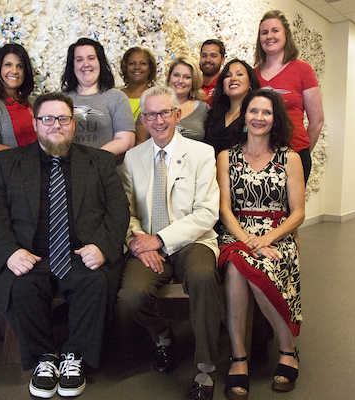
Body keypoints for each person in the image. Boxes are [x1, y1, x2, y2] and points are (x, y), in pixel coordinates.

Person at [0, 93, 129, 398]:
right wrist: (9, 253)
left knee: (96, 281)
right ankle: (45, 358)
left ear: (73, 124)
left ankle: (75, 357)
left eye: (63, 119)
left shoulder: (99, 161)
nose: (55, 125)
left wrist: (102, 246)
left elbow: (119, 209)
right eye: (47, 118)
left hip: (80, 254)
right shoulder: (9, 162)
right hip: (29, 255)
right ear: (35, 124)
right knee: (20, 286)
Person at [118, 85, 223, 400]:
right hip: (148, 245)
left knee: (204, 277)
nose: (158, 120)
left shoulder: (202, 153)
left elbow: (207, 213)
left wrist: (160, 239)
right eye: (150, 114)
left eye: (165, 112)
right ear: (144, 120)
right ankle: (162, 335)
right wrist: (137, 241)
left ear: (177, 114)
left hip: (193, 240)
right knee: (130, 297)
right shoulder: (132, 158)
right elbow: (126, 212)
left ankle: (205, 370)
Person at [216, 89, 305, 399]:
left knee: (262, 265)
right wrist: (248, 241)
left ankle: (288, 348)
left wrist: (266, 238)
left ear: (274, 119)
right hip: (238, 232)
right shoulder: (226, 157)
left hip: (277, 234)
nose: (259, 117)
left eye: (266, 112)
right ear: (245, 117)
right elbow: (225, 209)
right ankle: (239, 357)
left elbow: (299, 214)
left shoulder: (289, 158)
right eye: (253, 111)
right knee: (236, 268)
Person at [254, 9, 324, 183]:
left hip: (295, 153)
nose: (269, 36)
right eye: (264, 32)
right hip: (259, 155)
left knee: (292, 210)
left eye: (275, 30)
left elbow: (317, 121)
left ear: (286, 35)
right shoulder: (252, 74)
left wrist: (302, 152)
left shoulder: (302, 69)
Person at [61, 38, 135, 159]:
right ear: (72, 65)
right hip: (68, 171)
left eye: (91, 58)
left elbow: (126, 140)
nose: (86, 64)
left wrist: (91, 160)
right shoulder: (60, 99)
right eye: (79, 60)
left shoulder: (117, 97)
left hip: (105, 171)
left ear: (100, 62)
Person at [0, 43, 36, 181]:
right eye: (8, 65)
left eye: (19, 66)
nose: (14, 71)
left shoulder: (33, 103)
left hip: (33, 176)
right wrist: (32, 156)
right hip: (5, 180)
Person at [205, 59, 261, 156]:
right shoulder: (213, 115)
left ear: (250, 83)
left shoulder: (257, 117)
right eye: (228, 75)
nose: (233, 78)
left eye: (239, 74)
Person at [166, 56, 210, 141]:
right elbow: (142, 142)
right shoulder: (154, 105)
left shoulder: (204, 109)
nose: (180, 81)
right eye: (176, 75)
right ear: (169, 77)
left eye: (187, 77)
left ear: (194, 81)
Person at [120, 47, 157, 145]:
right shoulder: (116, 96)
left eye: (143, 63)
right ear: (125, 68)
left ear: (150, 69)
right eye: (132, 63)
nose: (137, 67)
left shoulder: (156, 97)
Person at [200, 39, 226, 104]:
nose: (208, 60)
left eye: (213, 56)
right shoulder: (191, 85)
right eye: (204, 56)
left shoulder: (225, 86)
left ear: (222, 60)